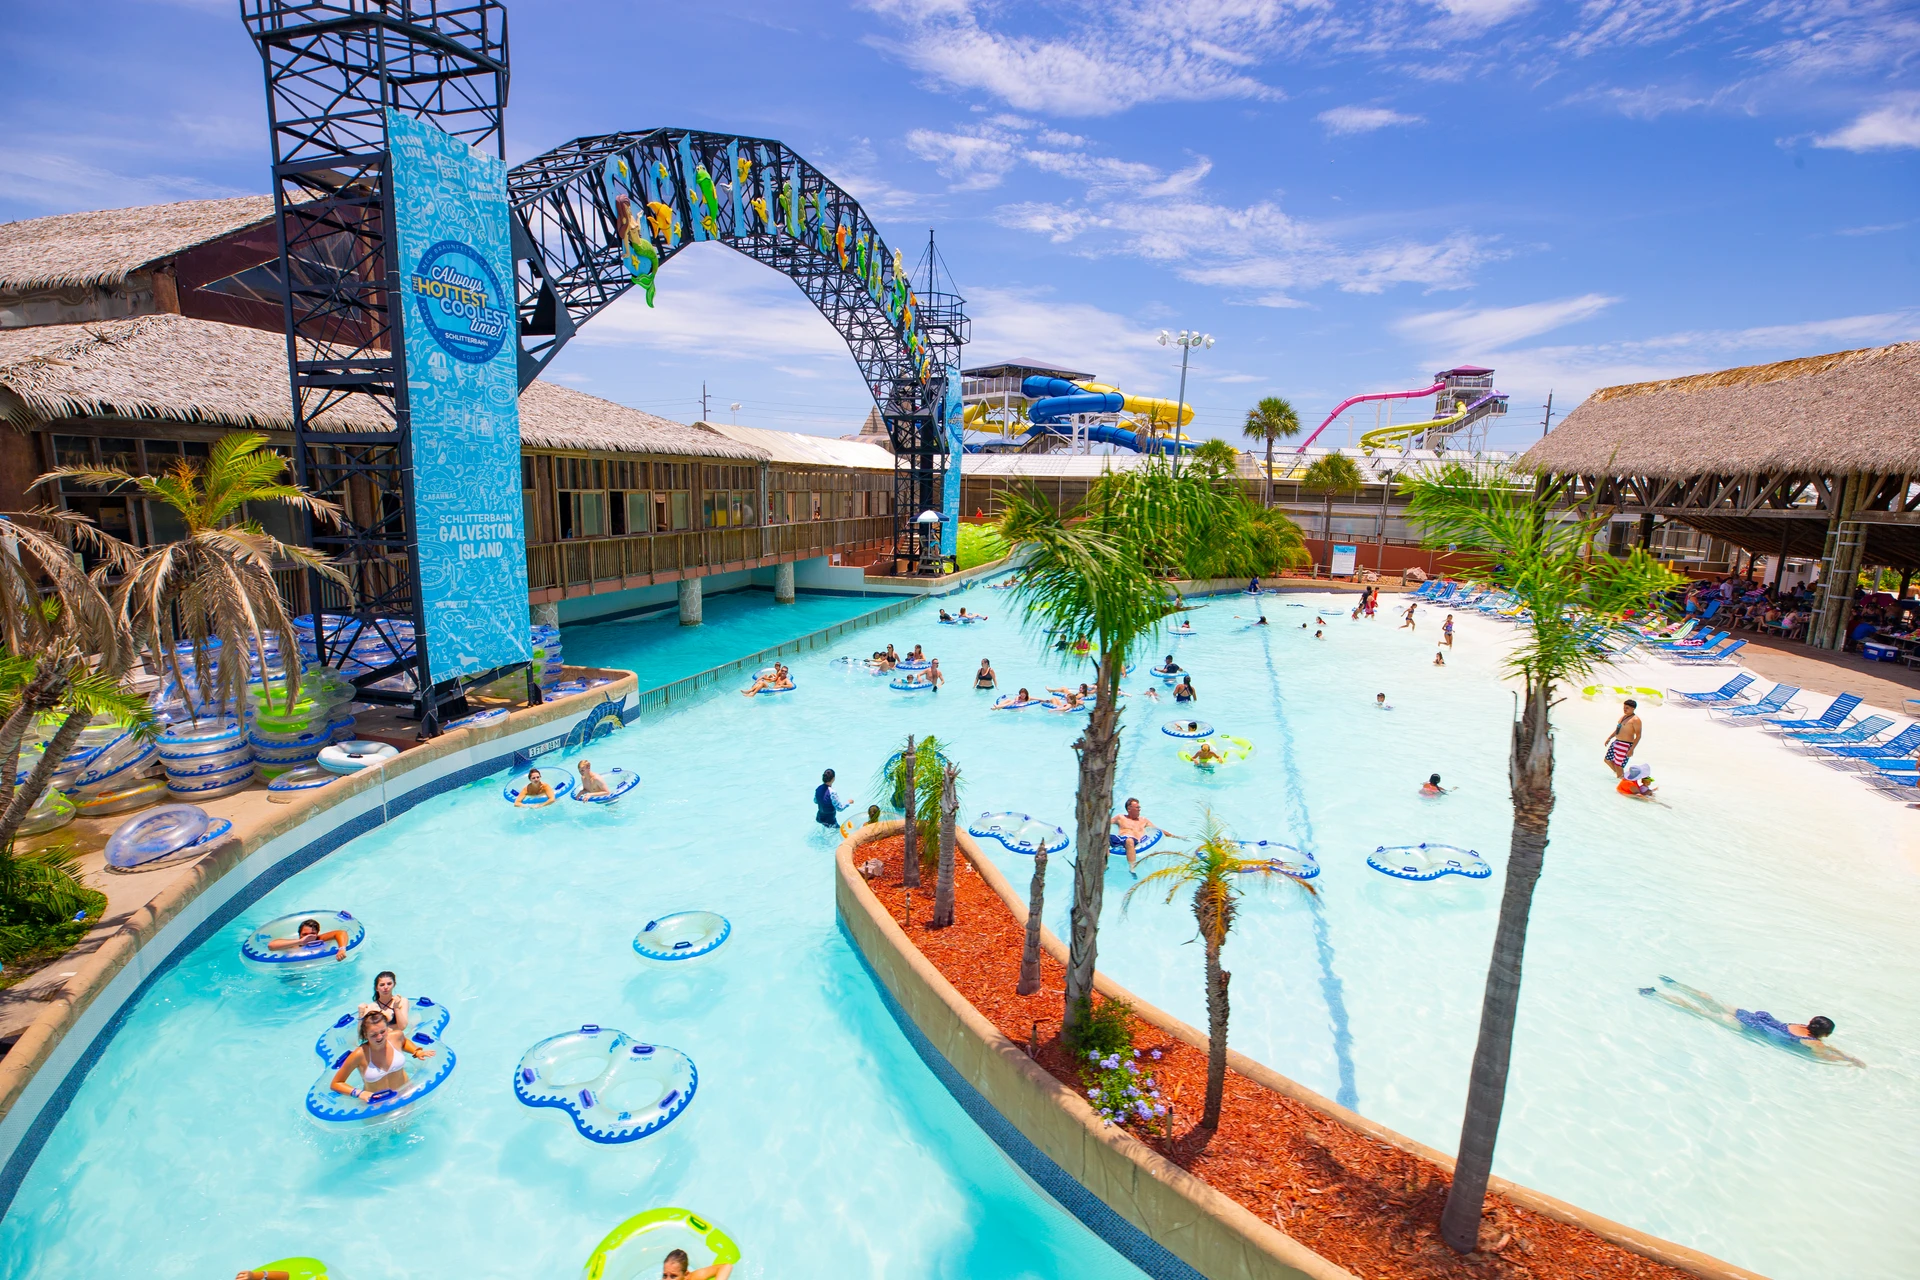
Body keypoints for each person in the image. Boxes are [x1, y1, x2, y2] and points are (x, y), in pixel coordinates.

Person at [1638, 977, 1863, 1067]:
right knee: (1697, 1011)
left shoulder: (1800, 1028)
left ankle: (1674, 984)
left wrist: (1848, 1055)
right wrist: (1849, 1061)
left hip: (1752, 1016)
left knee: (1709, 1000)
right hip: (1746, 1026)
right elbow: (1823, 1053)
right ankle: (1656, 993)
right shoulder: (1812, 1042)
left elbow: (1824, 1046)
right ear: (1823, 1034)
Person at [329, 1008, 436, 1103]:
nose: (379, 1037)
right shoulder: (359, 1054)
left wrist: (416, 1051)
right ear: (365, 1035)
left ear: (388, 1028)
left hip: (405, 1095)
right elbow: (336, 1083)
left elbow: (403, 1042)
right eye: (374, 1035)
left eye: (383, 1031)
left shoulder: (396, 1036)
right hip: (377, 1105)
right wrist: (359, 1093)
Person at [1111, 797, 1174, 875]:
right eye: (1137, 807)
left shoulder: (1143, 820)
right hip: (1120, 839)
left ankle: (1132, 867)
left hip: (1133, 841)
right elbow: (1106, 823)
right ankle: (1104, 863)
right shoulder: (1120, 817)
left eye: (1139, 807)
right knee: (1106, 838)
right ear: (1129, 808)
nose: (1139, 809)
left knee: (1129, 841)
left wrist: (1173, 836)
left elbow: (1157, 829)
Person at [267, 916, 351, 962]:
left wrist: (342, 949)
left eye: (312, 934)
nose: (308, 937)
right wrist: (301, 941)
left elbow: (341, 933)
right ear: (299, 934)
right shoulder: (294, 944)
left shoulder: (319, 939)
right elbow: (271, 945)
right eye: (304, 934)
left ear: (317, 933)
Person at [362, 969, 411, 1034]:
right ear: (376, 988)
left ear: (394, 985)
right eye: (382, 985)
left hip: (399, 1037)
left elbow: (403, 1027)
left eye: (389, 984)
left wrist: (396, 1008)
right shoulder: (372, 1007)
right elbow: (363, 1034)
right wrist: (361, 1015)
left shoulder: (402, 1002)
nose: (386, 987)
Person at [1604, 697, 1642, 779]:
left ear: (1633, 708)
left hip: (1625, 745)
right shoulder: (1623, 717)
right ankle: (1621, 777)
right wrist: (1609, 738)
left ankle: (1621, 780)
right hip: (1616, 742)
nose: (1624, 709)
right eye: (1624, 707)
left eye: (1627, 708)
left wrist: (1631, 749)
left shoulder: (1636, 720)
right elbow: (1618, 729)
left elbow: (1638, 735)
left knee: (1619, 766)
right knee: (1607, 760)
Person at [661, 1246, 735, 1280]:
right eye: (664, 1276)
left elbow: (726, 1266)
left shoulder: (694, 1277)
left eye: (673, 1276)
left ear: (686, 1275)